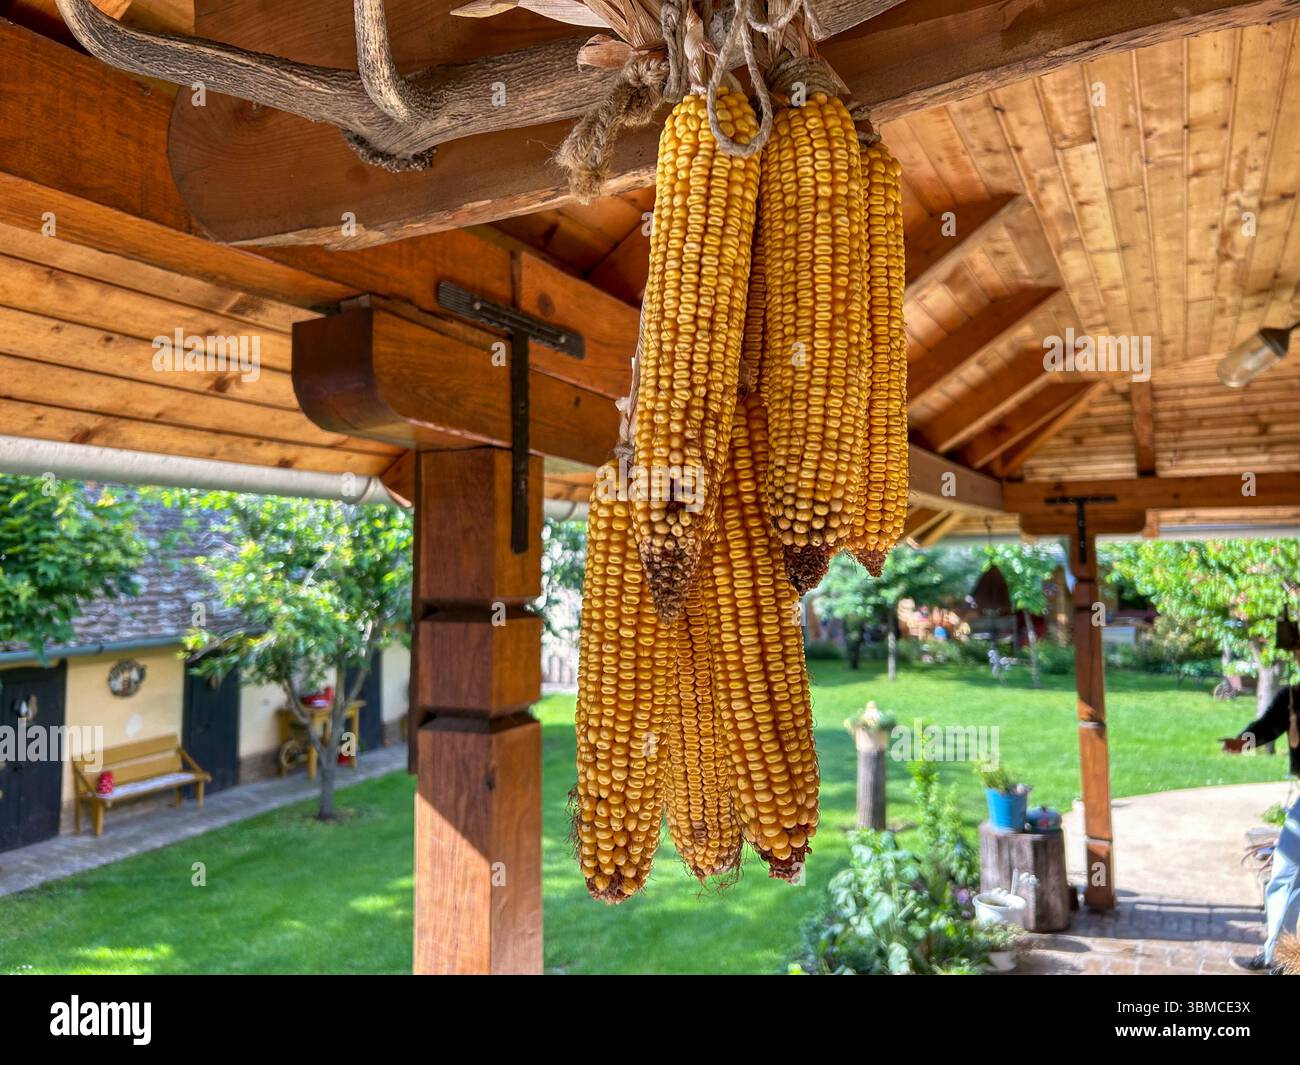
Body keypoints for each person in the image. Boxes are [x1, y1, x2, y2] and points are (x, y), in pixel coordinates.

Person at [1225, 668, 1300, 973]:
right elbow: (1268, 726)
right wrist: (1241, 742)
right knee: (1286, 874)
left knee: (1287, 873)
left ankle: (1279, 958)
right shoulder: (1293, 698)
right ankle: (1279, 956)